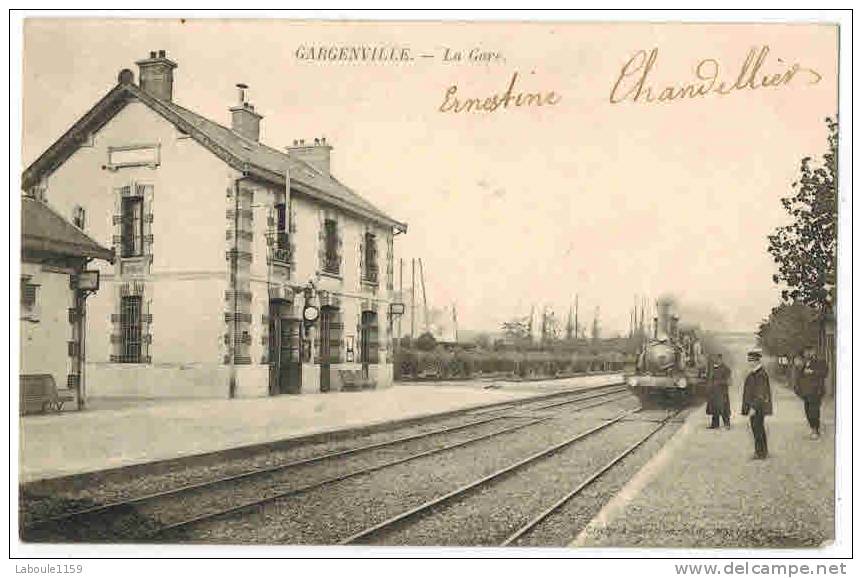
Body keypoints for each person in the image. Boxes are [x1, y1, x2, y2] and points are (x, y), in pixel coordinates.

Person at [742, 349, 772, 459]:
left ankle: (760, 452)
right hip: (756, 406)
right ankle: (761, 451)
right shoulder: (755, 373)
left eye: (751, 361)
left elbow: (760, 393)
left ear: (757, 361)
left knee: (757, 428)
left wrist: (753, 407)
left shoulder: (760, 374)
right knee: (757, 428)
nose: (749, 363)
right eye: (749, 360)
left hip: (758, 407)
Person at [794, 345, 828, 440]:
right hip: (806, 392)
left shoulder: (820, 361)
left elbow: (824, 372)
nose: (808, 353)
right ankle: (813, 427)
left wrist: (812, 372)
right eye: (806, 351)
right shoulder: (803, 362)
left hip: (816, 391)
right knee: (807, 410)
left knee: (814, 410)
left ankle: (815, 430)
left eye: (810, 351)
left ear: (814, 351)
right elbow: (799, 377)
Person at [706, 354, 732, 429]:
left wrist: (718, 382)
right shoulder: (713, 369)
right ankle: (715, 424)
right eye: (715, 359)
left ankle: (727, 424)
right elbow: (709, 379)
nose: (716, 361)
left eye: (717, 359)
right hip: (714, 392)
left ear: (721, 359)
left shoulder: (726, 369)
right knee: (715, 409)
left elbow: (729, 381)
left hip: (722, 392)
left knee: (724, 409)